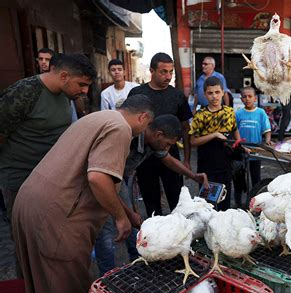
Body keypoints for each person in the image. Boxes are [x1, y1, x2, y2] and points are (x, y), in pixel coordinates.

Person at [12, 94, 155, 293]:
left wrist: (128, 214)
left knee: (39, 284)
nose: (145, 130)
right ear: (143, 117)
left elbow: (104, 180)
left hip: (28, 203)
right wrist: (120, 218)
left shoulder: (98, 117)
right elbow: (98, 178)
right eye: (148, 124)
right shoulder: (120, 128)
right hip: (58, 215)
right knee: (66, 291)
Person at [94, 114, 209, 276]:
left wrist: (192, 175)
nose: (167, 148)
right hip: (100, 182)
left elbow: (168, 159)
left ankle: (138, 265)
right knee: (105, 233)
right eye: (168, 144)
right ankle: (109, 277)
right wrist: (125, 215)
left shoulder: (154, 143)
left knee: (132, 228)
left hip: (118, 179)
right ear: (159, 135)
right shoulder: (128, 140)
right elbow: (105, 183)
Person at [0, 53, 96, 223]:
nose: (85, 91)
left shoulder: (66, 93)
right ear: (64, 76)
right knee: (27, 236)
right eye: (81, 84)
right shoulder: (25, 92)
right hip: (22, 180)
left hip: (53, 178)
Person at [128, 53, 193, 217]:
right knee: (151, 204)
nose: (168, 76)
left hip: (170, 155)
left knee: (177, 202)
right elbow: (129, 126)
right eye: (163, 72)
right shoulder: (137, 93)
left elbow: (185, 129)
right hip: (144, 158)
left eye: (171, 72)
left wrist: (186, 159)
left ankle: (179, 234)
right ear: (152, 71)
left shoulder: (177, 95)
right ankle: (156, 238)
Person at [190, 76, 241, 210]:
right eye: (210, 93)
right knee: (207, 204)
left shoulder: (229, 112)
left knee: (225, 199)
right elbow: (193, 141)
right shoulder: (200, 115)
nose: (214, 96)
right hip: (206, 164)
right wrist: (214, 135)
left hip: (225, 163)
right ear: (205, 94)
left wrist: (240, 145)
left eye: (217, 92)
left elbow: (235, 130)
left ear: (223, 93)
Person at [233, 86, 272, 208]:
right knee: (239, 180)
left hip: (256, 152)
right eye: (244, 97)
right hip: (240, 152)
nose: (247, 99)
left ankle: (255, 204)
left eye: (250, 96)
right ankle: (238, 204)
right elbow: (234, 131)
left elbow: (267, 129)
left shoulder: (260, 113)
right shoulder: (238, 113)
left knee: (256, 179)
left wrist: (267, 140)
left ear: (255, 98)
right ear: (241, 99)